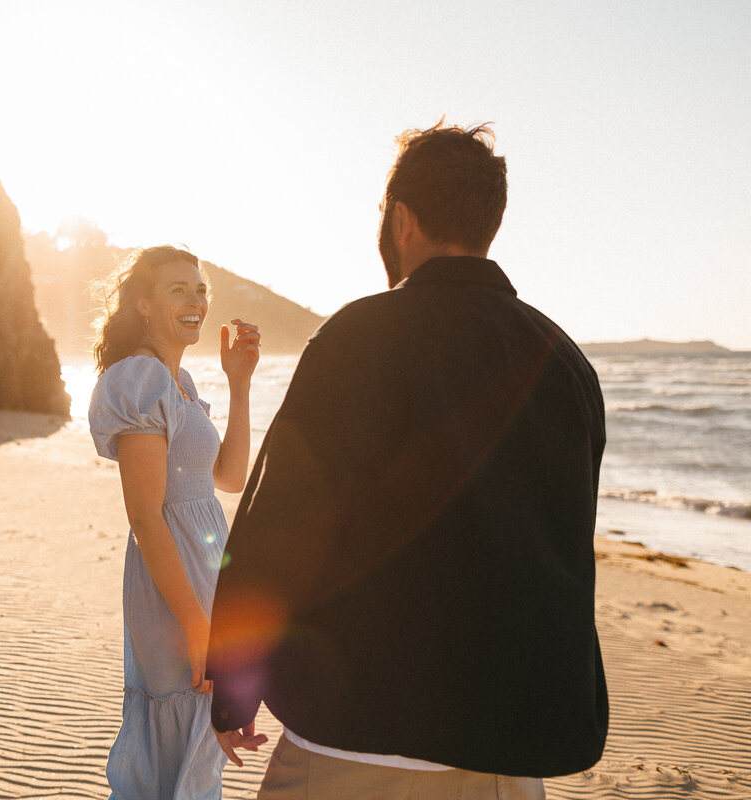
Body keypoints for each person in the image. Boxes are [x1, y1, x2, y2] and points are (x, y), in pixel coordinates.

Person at [206, 122, 608, 799]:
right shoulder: (564, 362)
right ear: (490, 224)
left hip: (354, 742)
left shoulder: (357, 337)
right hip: (506, 758)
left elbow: (280, 526)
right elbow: (563, 555)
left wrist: (234, 691)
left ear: (401, 220)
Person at [88, 245, 268, 799]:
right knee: (173, 743)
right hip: (172, 581)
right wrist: (195, 624)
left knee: (196, 740)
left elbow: (230, 477)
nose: (195, 301)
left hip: (203, 565)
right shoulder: (139, 378)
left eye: (200, 290)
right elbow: (145, 514)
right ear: (142, 305)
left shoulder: (180, 384)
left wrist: (239, 382)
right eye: (177, 290)